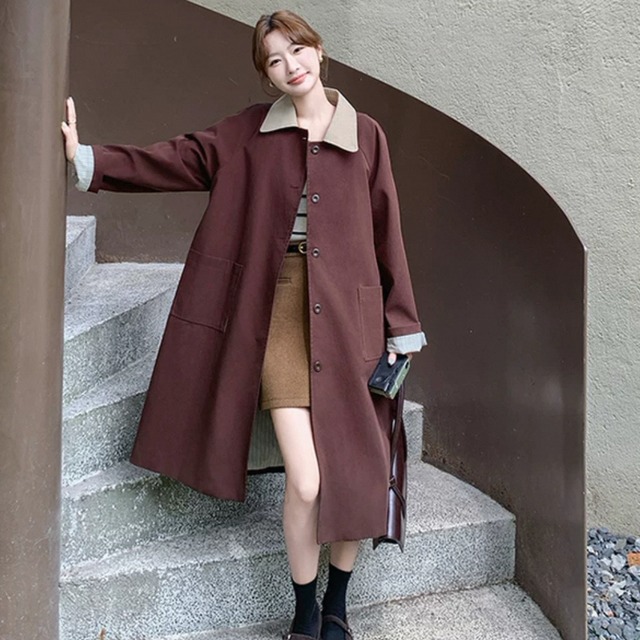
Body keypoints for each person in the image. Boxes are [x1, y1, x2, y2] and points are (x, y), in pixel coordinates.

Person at [61, 10, 426, 640]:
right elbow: (176, 160)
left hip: (351, 320)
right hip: (278, 312)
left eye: (298, 50)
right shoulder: (249, 133)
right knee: (307, 481)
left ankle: (337, 606)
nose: (291, 66)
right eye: (275, 60)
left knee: (356, 473)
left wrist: (402, 326)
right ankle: (305, 610)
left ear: (319, 51)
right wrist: (88, 160)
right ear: (267, 75)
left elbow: (387, 231)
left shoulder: (366, 135)